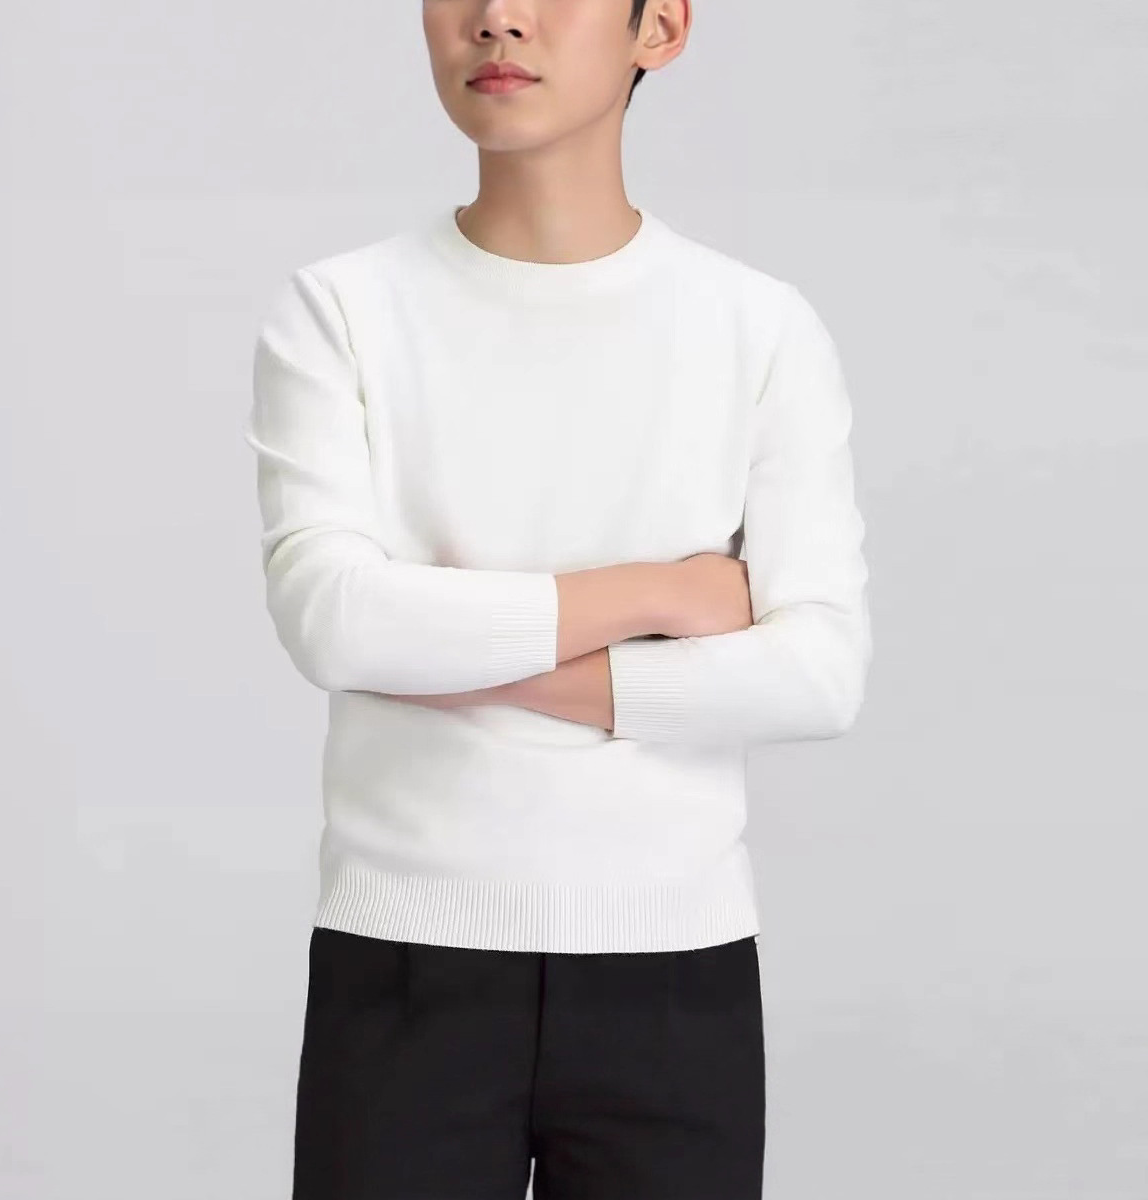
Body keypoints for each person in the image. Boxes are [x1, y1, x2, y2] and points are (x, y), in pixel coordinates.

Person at [242, 1, 872, 1196]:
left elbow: (818, 675)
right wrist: (664, 593)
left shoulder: (759, 329)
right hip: (403, 963)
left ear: (659, 29)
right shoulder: (341, 311)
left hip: (675, 970)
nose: (497, 18)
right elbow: (333, 619)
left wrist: (449, 654)